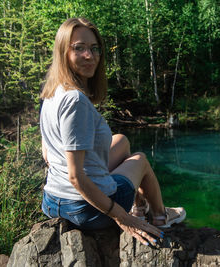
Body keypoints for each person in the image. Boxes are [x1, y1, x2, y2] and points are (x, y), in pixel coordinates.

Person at [39, 17, 186, 246]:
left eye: (94, 48)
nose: (90, 55)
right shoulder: (75, 101)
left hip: (52, 201)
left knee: (122, 141)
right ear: (62, 52)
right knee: (140, 160)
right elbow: (76, 176)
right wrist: (122, 217)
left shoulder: (52, 93)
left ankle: (140, 204)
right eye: (79, 48)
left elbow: (48, 155)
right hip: (87, 211)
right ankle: (159, 216)